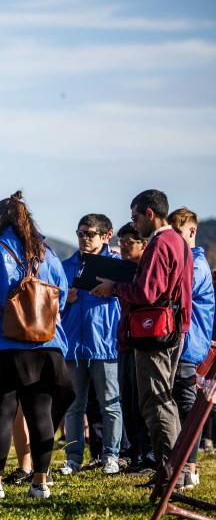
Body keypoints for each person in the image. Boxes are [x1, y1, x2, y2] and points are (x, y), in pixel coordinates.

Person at [0, 191, 73, 499]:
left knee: (1, 413)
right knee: (40, 413)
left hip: (1, 345)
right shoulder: (47, 252)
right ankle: (40, 484)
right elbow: (61, 293)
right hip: (47, 344)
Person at [92, 189, 192, 489]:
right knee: (165, 399)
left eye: (135, 216)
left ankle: (167, 474)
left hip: (156, 334)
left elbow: (147, 293)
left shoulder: (160, 244)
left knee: (154, 402)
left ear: (150, 213)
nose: (133, 222)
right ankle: (180, 471)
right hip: (173, 329)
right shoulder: (178, 241)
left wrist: (116, 288)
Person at [60, 214, 124, 476]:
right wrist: (66, 299)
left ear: (106, 235)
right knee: (73, 406)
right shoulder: (67, 266)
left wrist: (115, 288)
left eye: (90, 234)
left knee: (110, 403)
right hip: (74, 346)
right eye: (80, 233)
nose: (84, 238)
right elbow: (52, 305)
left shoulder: (117, 265)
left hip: (105, 343)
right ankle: (73, 458)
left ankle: (111, 456)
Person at [167, 208, 213, 491]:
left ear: (192, 232)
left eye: (177, 234)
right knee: (179, 403)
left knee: (187, 406)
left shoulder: (195, 264)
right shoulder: (186, 261)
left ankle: (191, 468)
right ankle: (181, 466)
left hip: (191, 342)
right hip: (182, 342)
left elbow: (175, 291)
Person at [113, 222, 152, 474]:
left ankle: (150, 454)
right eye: (121, 242)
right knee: (127, 400)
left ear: (143, 244)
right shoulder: (122, 270)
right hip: (125, 340)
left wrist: (116, 287)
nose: (123, 247)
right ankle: (135, 454)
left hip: (145, 341)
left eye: (129, 242)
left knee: (143, 400)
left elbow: (145, 295)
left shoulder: (147, 271)